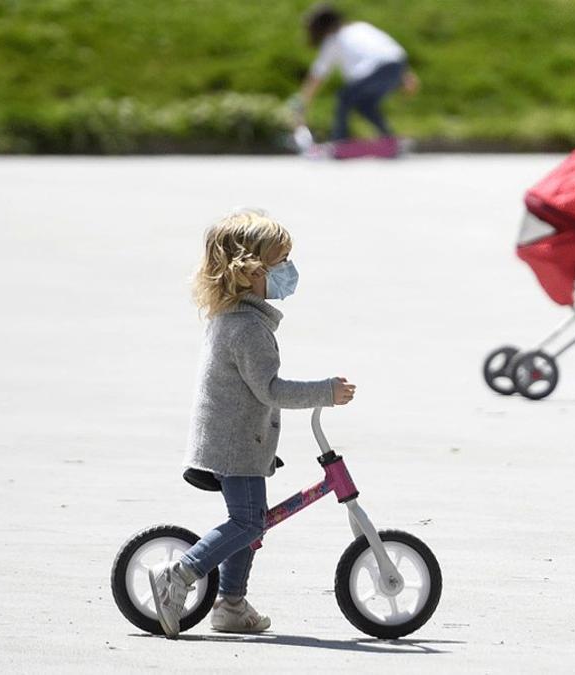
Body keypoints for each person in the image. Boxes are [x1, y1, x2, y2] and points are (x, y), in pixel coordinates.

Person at [147, 209, 358, 638]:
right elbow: (271, 390)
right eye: (281, 263)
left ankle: (230, 604)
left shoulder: (235, 318)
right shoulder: (247, 329)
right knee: (247, 523)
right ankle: (180, 575)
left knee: (249, 523)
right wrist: (325, 392)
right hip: (234, 445)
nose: (289, 271)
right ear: (249, 272)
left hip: (236, 440)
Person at [298, 4, 419, 142]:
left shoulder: (333, 40)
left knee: (344, 98)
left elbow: (317, 76)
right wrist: (406, 74)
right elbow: (388, 50)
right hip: (396, 66)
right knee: (365, 105)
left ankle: (340, 140)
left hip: (375, 70)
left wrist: (302, 103)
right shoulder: (361, 27)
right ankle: (388, 138)